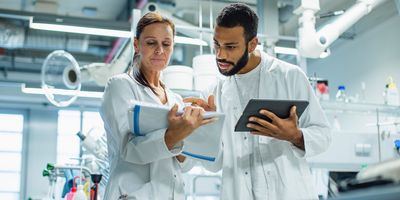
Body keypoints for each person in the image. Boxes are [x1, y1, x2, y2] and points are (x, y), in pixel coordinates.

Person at [185, 3, 331, 200]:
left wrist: (295, 135)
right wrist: (207, 131)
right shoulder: (213, 93)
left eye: (230, 47)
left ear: (252, 44)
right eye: (216, 45)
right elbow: (214, 165)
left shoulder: (290, 76)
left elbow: (323, 135)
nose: (220, 55)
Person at [100, 12, 213, 199]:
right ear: (137, 45)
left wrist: (199, 129)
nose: (160, 50)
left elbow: (185, 165)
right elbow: (128, 150)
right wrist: (174, 135)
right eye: (151, 42)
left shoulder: (176, 100)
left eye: (166, 44)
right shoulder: (120, 86)